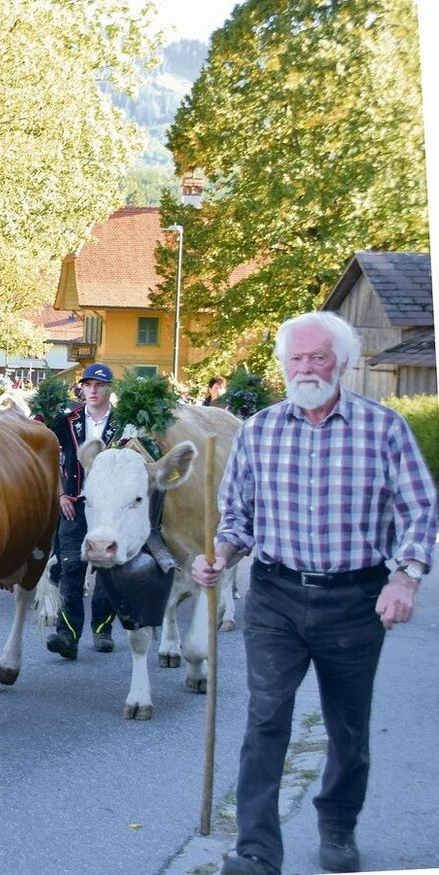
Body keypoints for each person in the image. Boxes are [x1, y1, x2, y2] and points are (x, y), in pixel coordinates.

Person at [191, 312, 435, 875]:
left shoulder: (384, 428)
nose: (306, 368)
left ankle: (337, 825)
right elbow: (237, 517)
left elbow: (419, 509)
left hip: (354, 600)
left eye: (317, 357)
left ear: (342, 363)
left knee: (347, 724)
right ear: (283, 367)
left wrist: (406, 576)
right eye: (296, 359)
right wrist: (220, 558)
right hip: (276, 595)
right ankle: (256, 849)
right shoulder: (260, 431)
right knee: (266, 718)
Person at [45, 362, 120, 659]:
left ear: (108, 389)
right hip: (74, 502)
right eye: (88, 384)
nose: (92, 389)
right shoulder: (66, 421)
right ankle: (68, 635)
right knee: (71, 566)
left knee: (106, 566)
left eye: (99, 385)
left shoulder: (125, 422)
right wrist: (61, 493)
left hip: (110, 507)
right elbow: (50, 459)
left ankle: (102, 627)